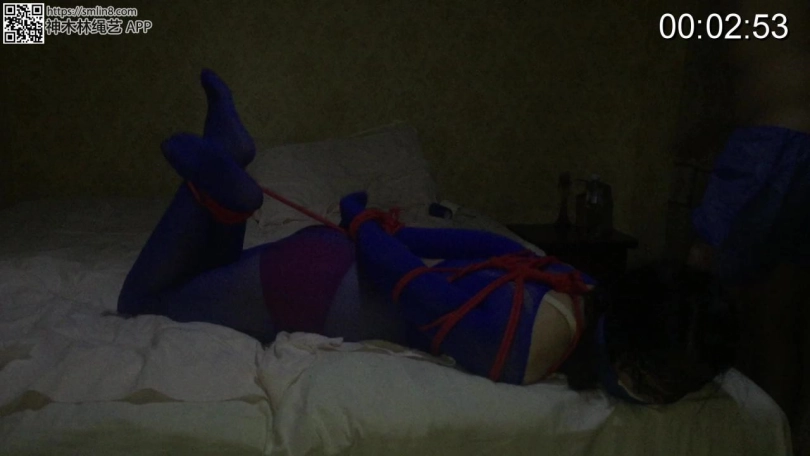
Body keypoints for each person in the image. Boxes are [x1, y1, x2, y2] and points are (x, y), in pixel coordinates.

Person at [118, 69, 735, 403]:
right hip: (315, 288)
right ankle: (213, 185)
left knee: (198, 284)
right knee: (143, 303)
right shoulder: (528, 348)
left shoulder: (576, 288)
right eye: (654, 387)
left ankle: (227, 177)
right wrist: (367, 226)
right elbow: (410, 285)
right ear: (631, 361)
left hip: (323, 271)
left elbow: (483, 249)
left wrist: (368, 224)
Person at [686, 2, 809, 451]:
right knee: (776, 320)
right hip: (784, 142)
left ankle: (716, 433)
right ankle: (773, 441)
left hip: (768, 146)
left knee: (706, 292)